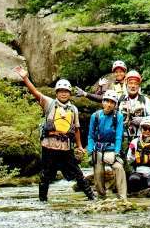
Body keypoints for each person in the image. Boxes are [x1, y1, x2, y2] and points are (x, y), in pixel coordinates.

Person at [14, 66, 94, 202]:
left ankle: (92, 198)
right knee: (45, 175)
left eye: (66, 92)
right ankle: (42, 201)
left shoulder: (73, 109)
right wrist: (25, 78)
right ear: (56, 93)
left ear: (70, 93)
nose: (63, 94)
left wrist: (79, 146)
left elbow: (76, 129)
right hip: (49, 147)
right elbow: (35, 92)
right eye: (61, 91)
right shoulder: (49, 103)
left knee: (78, 174)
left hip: (66, 148)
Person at [87, 90, 128, 199]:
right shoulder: (95, 116)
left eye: (112, 102)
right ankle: (101, 195)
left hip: (112, 148)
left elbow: (119, 136)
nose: (109, 104)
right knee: (99, 171)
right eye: (107, 101)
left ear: (115, 105)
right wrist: (90, 151)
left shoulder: (118, 116)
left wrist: (116, 153)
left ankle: (123, 197)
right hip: (98, 148)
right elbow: (91, 136)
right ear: (102, 102)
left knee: (119, 167)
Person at [126, 117, 150, 192]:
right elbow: (129, 161)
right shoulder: (134, 142)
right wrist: (132, 153)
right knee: (133, 180)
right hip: (137, 172)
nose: (147, 131)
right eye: (145, 128)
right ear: (141, 129)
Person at [118, 70, 150, 142]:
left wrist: (143, 120)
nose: (133, 86)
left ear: (139, 86)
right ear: (126, 84)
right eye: (130, 83)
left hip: (141, 138)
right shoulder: (120, 99)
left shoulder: (145, 100)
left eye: (136, 84)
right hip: (123, 137)